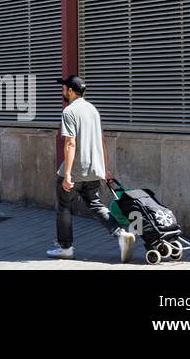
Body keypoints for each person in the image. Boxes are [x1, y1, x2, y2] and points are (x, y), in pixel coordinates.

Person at [47, 75, 135, 263]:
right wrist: (105, 168)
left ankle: (65, 247)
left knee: (64, 207)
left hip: (77, 169)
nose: (62, 91)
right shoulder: (93, 110)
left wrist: (68, 175)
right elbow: (102, 140)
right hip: (94, 169)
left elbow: (70, 144)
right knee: (95, 204)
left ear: (70, 91)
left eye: (64, 88)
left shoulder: (69, 111)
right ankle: (121, 234)